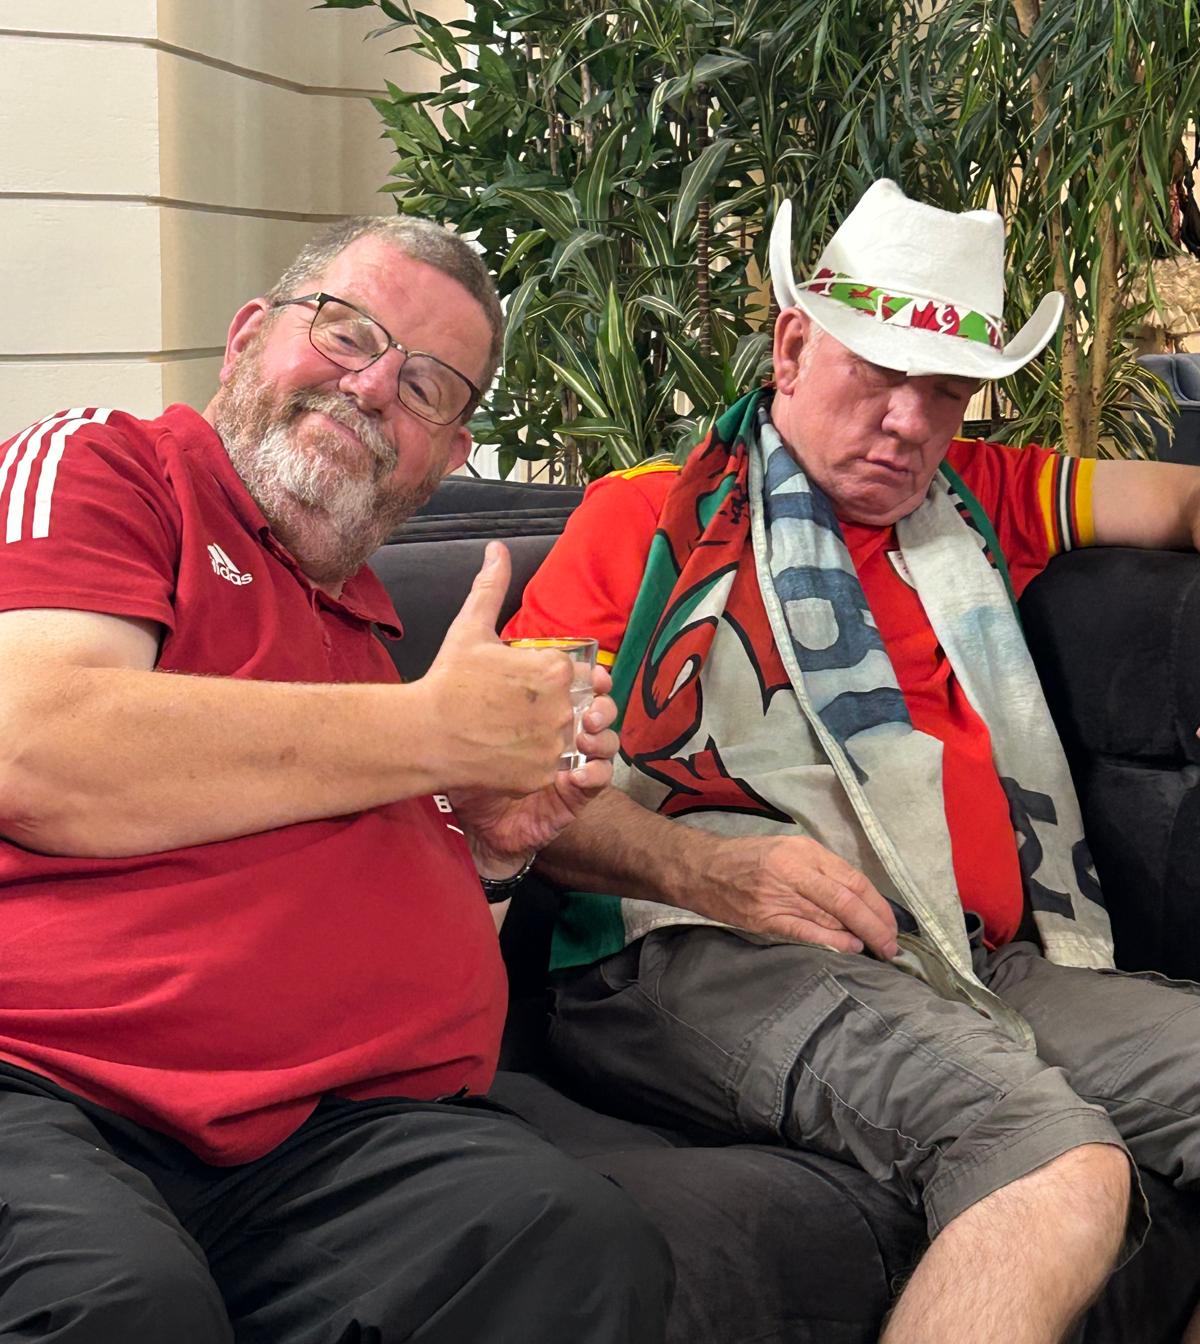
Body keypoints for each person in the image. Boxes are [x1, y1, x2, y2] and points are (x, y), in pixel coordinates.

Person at [505, 179, 1200, 1344]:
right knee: (1046, 1155)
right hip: (698, 950)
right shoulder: (643, 519)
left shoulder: (975, 501)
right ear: (790, 347)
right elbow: (517, 783)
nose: (910, 421)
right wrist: (710, 871)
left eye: (945, 390)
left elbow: (1181, 502)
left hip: (964, 958)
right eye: (877, 372)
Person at [0, 215, 674, 1344]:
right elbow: (32, 750)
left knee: (575, 1243)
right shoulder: (108, 467)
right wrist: (434, 731)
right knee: (118, 1304)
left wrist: (494, 850)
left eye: (427, 386)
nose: (371, 387)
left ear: (447, 458)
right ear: (245, 339)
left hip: (335, 1137)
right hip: (50, 1089)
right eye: (347, 332)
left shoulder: (368, 632)